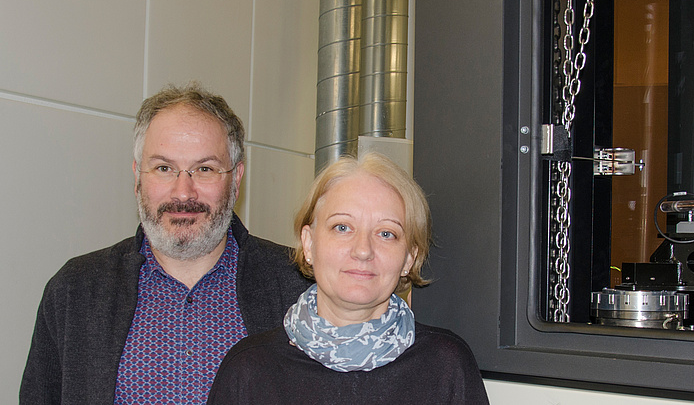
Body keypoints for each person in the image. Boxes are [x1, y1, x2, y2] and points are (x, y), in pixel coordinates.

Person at [20, 83, 311, 404]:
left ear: (236, 179)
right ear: (137, 177)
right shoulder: (75, 291)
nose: (183, 192)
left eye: (204, 169)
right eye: (163, 168)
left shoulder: (297, 286)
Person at [207, 153, 489, 404]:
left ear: (408, 259)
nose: (363, 250)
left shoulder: (446, 366)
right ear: (308, 244)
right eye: (342, 227)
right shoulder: (248, 371)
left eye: (386, 233)